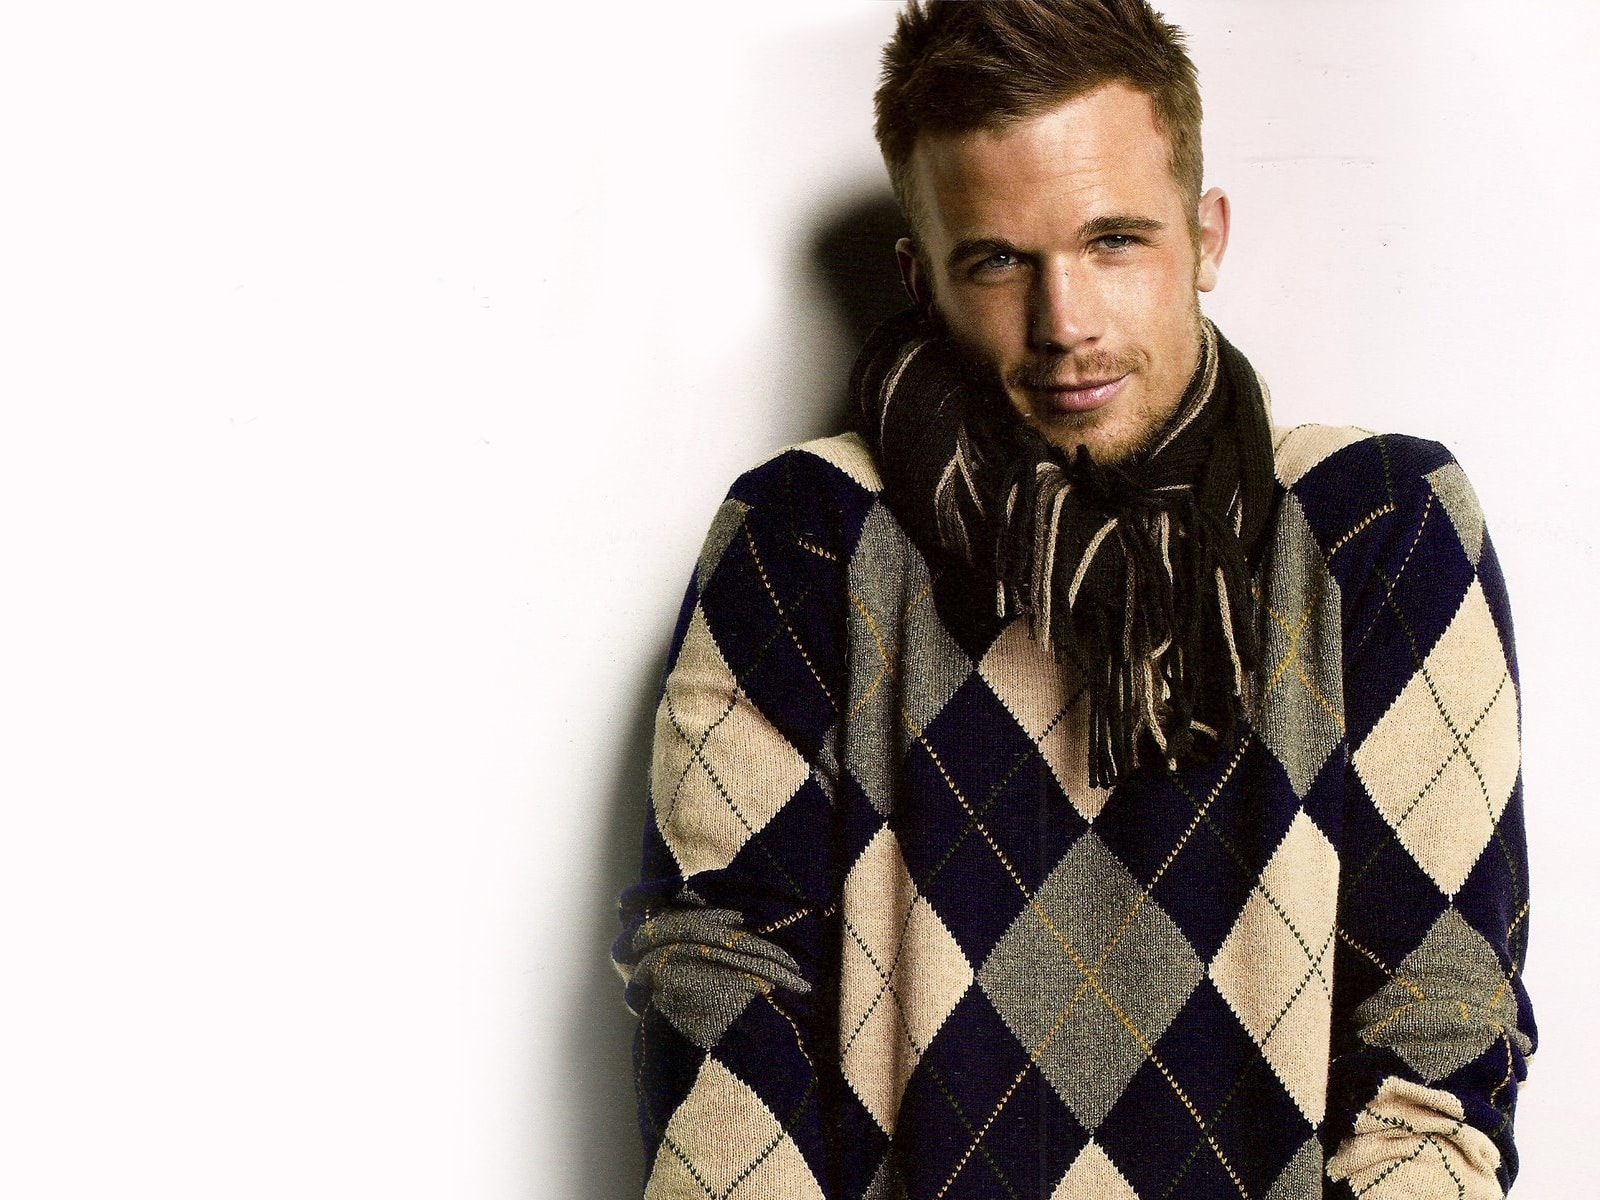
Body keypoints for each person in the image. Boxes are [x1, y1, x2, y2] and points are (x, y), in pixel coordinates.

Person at [611, 2, 1536, 1197]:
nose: (1066, 325)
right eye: (998, 260)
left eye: (1114, 241)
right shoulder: (811, 535)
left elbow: (1440, 1020)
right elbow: (720, 980)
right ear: (920, 278)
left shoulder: (1375, 526)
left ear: (1205, 237)